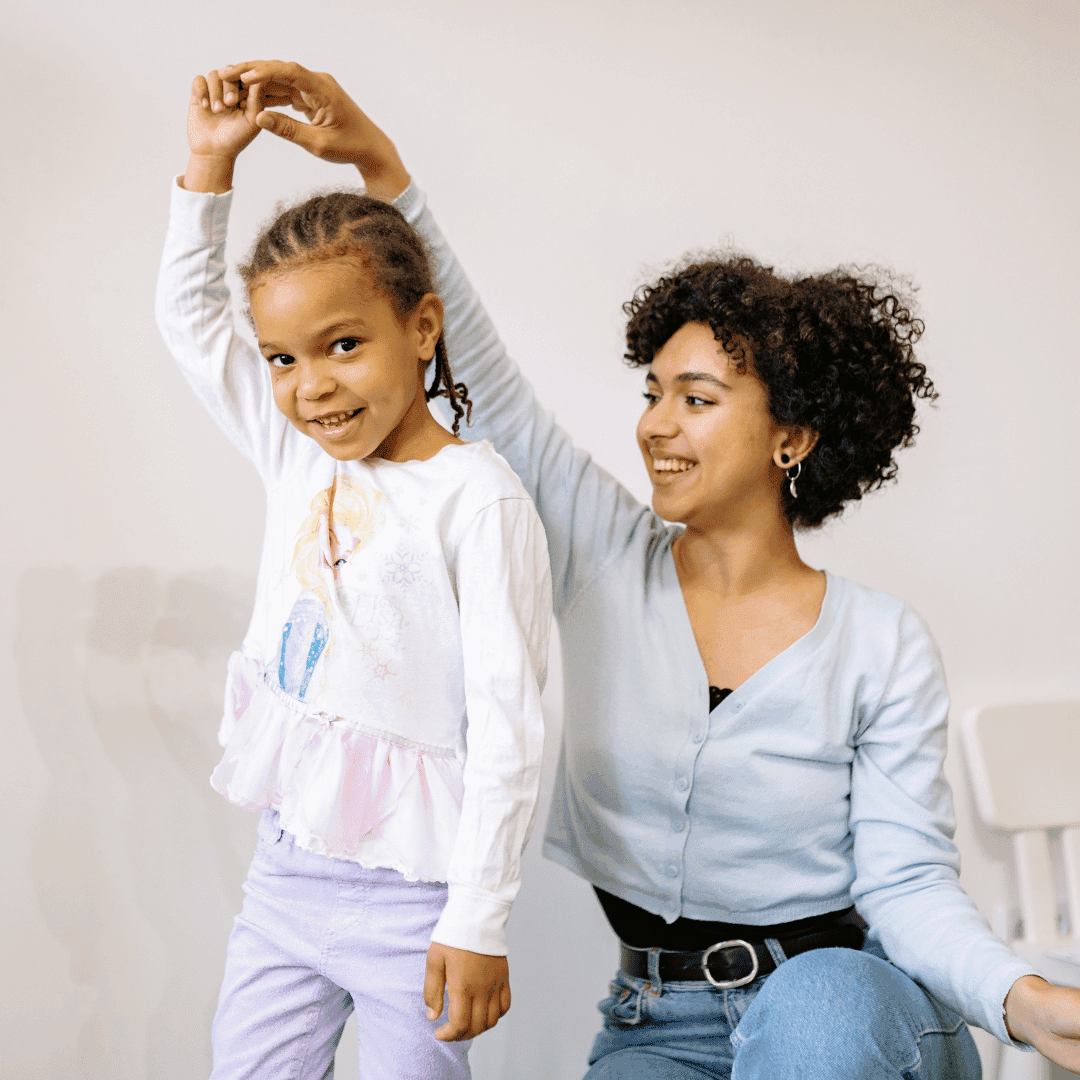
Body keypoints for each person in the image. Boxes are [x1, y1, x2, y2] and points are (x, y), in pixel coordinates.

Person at [205, 61, 1080, 1079]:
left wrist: (1018, 995)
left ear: (791, 436)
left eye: (697, 400)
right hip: (659, 1019)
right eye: (653, 392)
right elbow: (477, 373)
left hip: (845, 1001)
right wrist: (379, 167)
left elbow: (909, 885)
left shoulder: (881, 642)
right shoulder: (600, 559)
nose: (657, 425)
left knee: (817, 1019)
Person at [155, 71, 553, 1080]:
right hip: (286, 876)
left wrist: (478, 918)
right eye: (282, 359)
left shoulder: (479, 500)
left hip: (415, 901)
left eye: (342, 345)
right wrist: (208, 168)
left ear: (421, 329)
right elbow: (190, 324)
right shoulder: (297, 454)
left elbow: (511, 725)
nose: (311, 386)